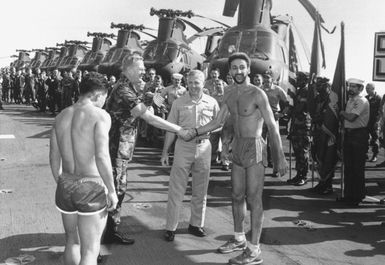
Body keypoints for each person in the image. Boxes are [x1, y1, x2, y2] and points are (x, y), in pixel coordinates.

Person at [191, 53, 288, 265]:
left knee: (254, 199)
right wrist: (195, 131)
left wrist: (280, 157)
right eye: (234, 68)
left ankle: (254, 251)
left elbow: (272, 125)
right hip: (238, 147)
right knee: (236, 196)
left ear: (248, 70)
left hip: (254, 147)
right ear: (230, 71)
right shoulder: (228, 93)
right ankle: (238, 239)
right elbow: (219, 121)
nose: (238, 71)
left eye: (242, 67)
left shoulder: (258, 93)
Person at [104, 52, 190, 245]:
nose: (143, 71)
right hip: (116, 147)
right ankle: (106, 233)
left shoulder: (131, 88)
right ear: (127, 69)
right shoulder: (123, 90)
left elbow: (148, 109)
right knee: (115, 190)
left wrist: (150, 98)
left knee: (119, 189)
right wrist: (179, 130)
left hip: (122, 147)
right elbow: (148, 117)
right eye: (140, 68)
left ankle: (109, 230)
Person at [49, 72, 119, 265]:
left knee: (72, 241)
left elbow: (54, 157)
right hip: (91, 185)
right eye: (105, 96)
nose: (105, 101)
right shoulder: (100, 116)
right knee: (90, 249)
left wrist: (61, 181)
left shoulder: (61, 115)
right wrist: (111, 190)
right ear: (98, 94)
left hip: (66, 183)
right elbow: (102, 156)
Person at [161, 69, 220, 242]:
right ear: (187, 83)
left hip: (204, 147)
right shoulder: (178, 103)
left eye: (197, 82)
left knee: (200, 189)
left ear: (203, 84)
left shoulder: (212, 102)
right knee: (176, 188)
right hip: (183, 147)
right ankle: (171, 227)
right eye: (191, 82)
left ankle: (196, 224)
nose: (194, 86)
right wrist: (165, 151)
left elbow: (219, 124)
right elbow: (171, 129)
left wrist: (205, 131)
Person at [340, 78, 369, 206]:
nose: (350, 89)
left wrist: (341, 112)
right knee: (349, 167)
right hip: (349, 135)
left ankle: (357, 196)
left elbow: (351, 118)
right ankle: (349, 195)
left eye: (354, 87)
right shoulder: (350, 101)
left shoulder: (361, 101)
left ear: (360, 89)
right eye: (350, 86)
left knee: (357, 167)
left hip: (359, 136)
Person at [287, 72, 311, 186]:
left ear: (305, 80)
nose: (297, 81)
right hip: (296, 125)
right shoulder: (298, 91)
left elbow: (301, 108)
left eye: (300, 79)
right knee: (297, 152)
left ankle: (304, 176)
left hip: (303, 126)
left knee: (303, 152)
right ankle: (298, 174)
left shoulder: (307, 91)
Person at [365, 83, 381, 162]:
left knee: (375, 139)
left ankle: (375, 155)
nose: (366, 90)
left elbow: (380, 111)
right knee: (365, 138)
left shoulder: (378, 98)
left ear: (373, 89)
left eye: (368, 88)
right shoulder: (365, 98)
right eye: (366, 88)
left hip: (374, 122)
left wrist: (377, 122)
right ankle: (365, 154)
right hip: (365, 122)